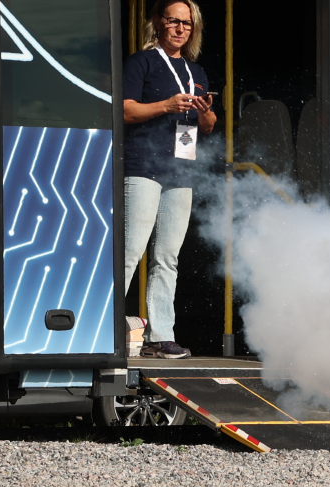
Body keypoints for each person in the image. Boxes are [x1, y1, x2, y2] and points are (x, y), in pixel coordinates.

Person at [120, 0, 217, 360]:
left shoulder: (196, 71)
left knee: (167, 257)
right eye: (173, 21)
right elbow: (125, 110)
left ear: (194, 29)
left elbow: (209, 126)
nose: (179, 29)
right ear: (158, 23)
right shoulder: (141, 62)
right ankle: (102, 324)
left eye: (186, 24)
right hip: (143, 166)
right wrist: (167, 105)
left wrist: (205, 114)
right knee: (130, 251)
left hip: (181, 171)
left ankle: (161, 335)